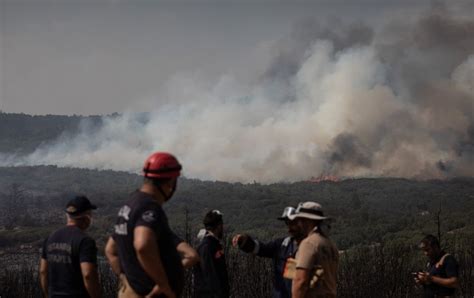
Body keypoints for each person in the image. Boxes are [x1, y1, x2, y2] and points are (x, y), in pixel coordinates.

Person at [104, 152, 199, 298]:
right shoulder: (149, 207)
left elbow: (110, 250)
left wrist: (126, 280)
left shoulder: (129, 205)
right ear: (170, 182)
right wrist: (163, 284)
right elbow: (143, 245)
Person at [232, 206, 305, 298]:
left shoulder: (311, 249)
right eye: (287, 223)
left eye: (293, 223)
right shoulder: (282, 244)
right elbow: (262, 249)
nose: (289, 227)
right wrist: (245, 242)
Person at [39, 195, 101, 298]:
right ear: (87, 217)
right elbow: (88, 274)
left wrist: (47, 294)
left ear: (68, 216)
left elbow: (43, 271)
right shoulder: (85, 241)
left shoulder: (50, 238)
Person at [289, 202, 338, 298]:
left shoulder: (309, 244)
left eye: (300, 220)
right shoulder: (331, 245)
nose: (298, 224)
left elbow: (300, 281)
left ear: (307, 221)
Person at [193, 210, 230, 298]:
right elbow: (210, 277)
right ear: (218, 226)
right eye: (221, 224)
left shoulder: (214, 244)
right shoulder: (207, 247)